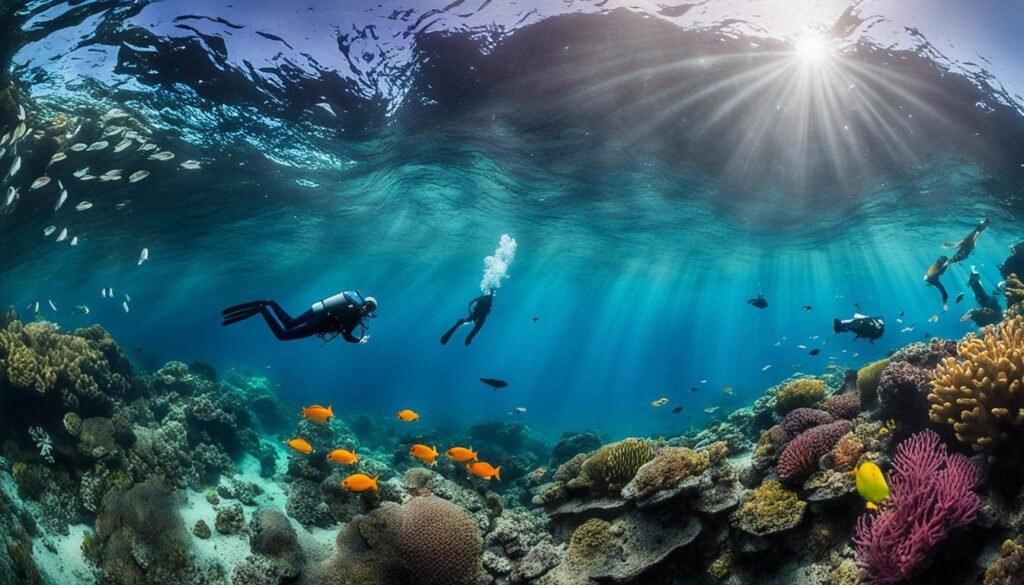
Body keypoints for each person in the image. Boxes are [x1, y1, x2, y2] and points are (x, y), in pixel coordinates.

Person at [222, 291, 376, 343]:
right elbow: (346, 335)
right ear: (371, 309)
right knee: (282, 335)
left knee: (290, 323)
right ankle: (262, 309)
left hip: (318, 311)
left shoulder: (351, 303)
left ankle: (270, 304)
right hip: (318, 324)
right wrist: (358, 340)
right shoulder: (357, 316)